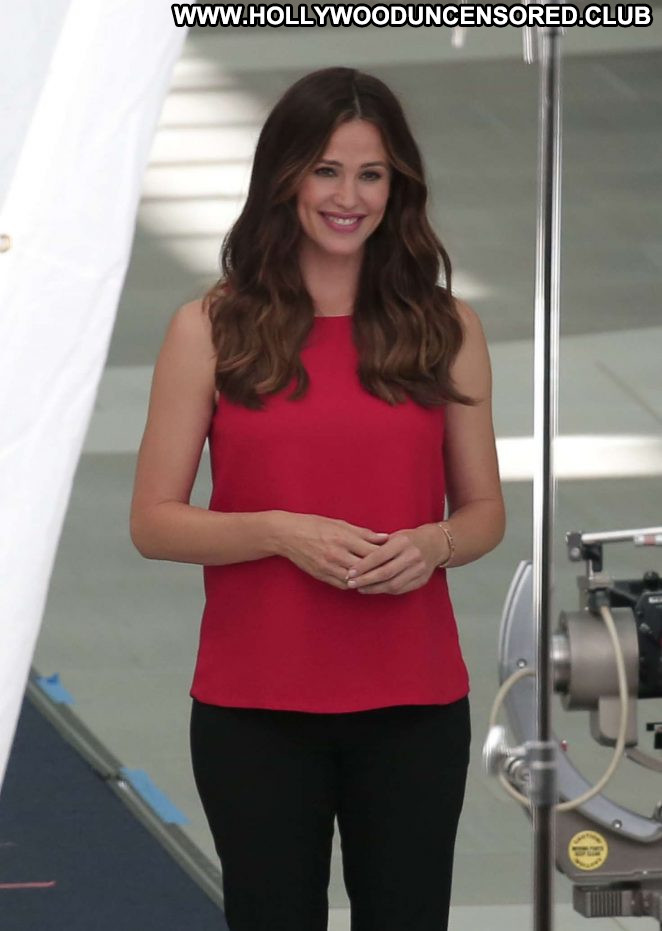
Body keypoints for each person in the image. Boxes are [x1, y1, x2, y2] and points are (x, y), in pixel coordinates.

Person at [130, 66, 505, 931]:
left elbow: (484, 510)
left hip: (413, 702)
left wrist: (435, 544)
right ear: (285, 177)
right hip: (255, 706)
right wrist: (277, 531)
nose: (348, 197)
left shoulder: (447, 328)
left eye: (371, 174)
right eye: (326, 170)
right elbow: (153, 521)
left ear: (397, 187)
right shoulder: (208, 329)